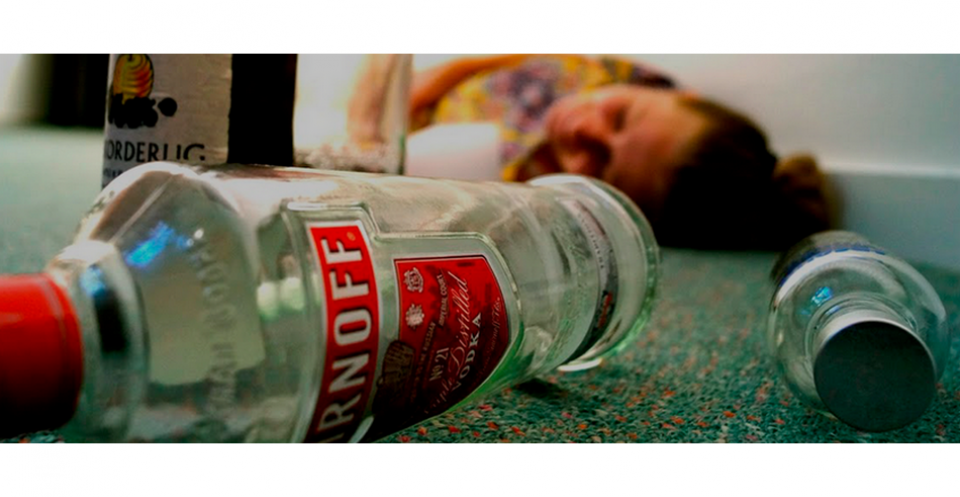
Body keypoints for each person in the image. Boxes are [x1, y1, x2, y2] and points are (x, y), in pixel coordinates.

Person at [408, 54, 832, 250]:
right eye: (620, 116)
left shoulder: (520, 207)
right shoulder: (597, 75)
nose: (582, 129)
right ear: (675, 95)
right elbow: (481, 63)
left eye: (603, 163)